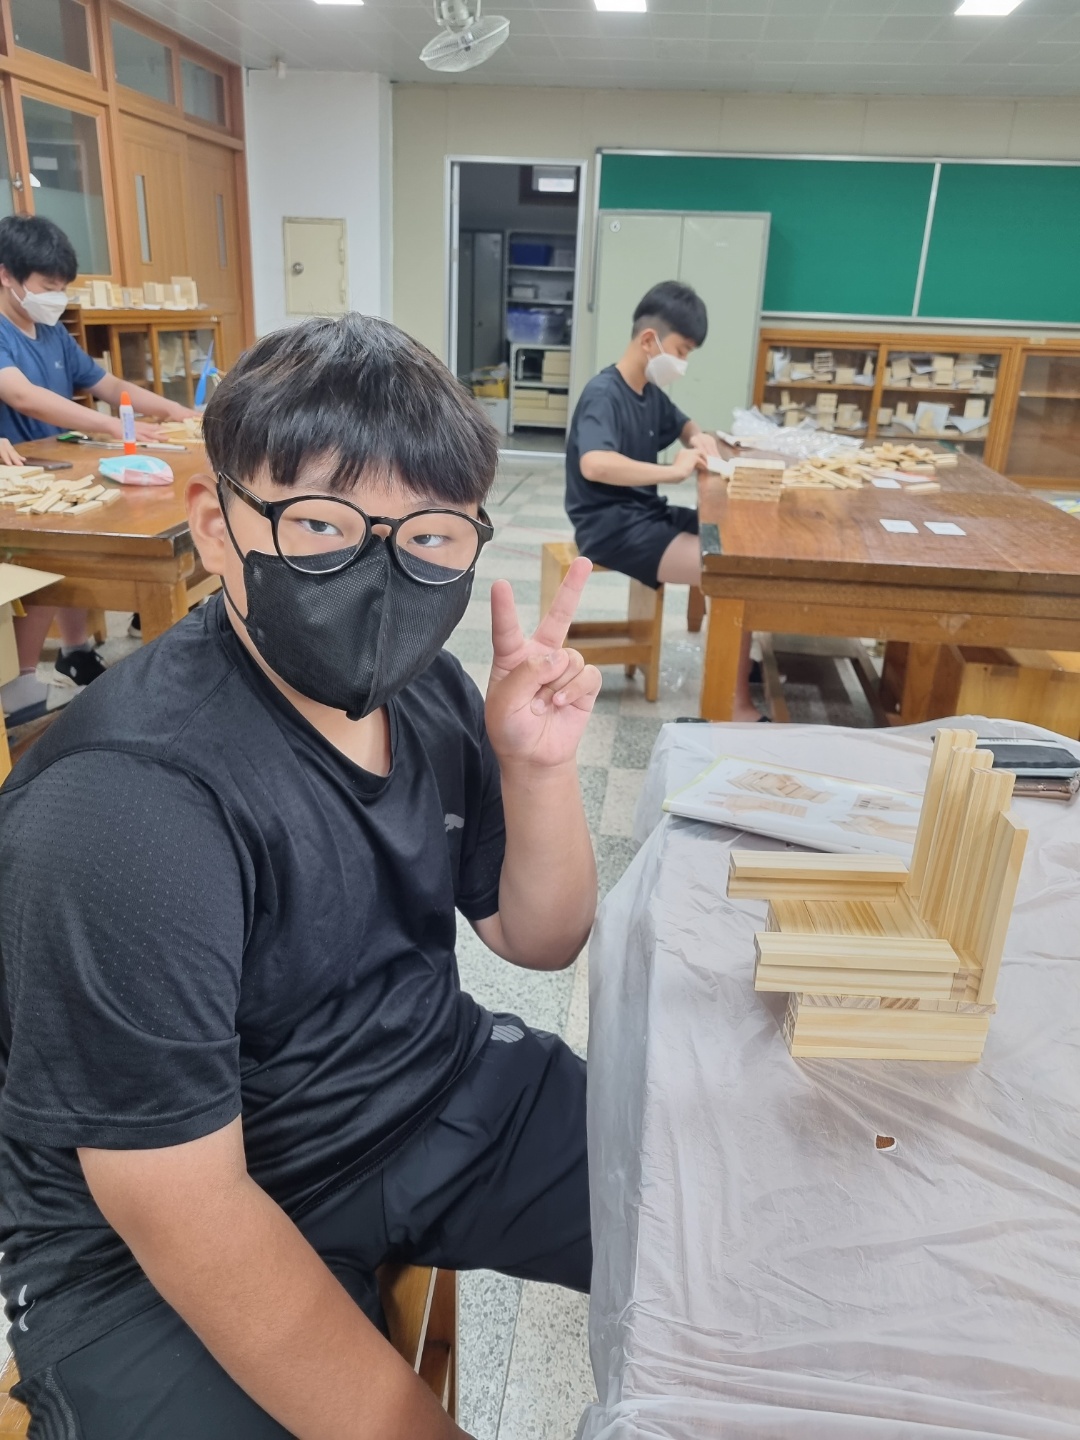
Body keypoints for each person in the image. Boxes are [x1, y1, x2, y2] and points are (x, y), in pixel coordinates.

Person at [0, 313, 599, 1439]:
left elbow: (543, 936)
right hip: (147, 1241)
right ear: (216, 527)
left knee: (721, 1214)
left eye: (430, 536)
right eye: (320, 523)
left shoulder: (424, 689)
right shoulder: (126, 807)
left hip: (420, 1086)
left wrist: (534, 767)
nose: (381, 574)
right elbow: (185, 1210)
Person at [0, 214, 196, 724]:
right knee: (47, 567)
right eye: (47, 286)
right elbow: (23, 396)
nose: (56, 297)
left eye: (62, 287)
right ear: (6, 275)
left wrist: (174, 411)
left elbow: (108, 385)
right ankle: (20, 685)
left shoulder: (51, 332)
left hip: (61, 463)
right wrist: (113, 425)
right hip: (19, 478)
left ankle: (76, 651)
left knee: (82, 556)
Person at [565, 280, 761, 721]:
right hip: (610, 526)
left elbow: (684, 424)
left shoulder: (649, 393)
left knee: (732, 540)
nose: (683, 363)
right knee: (734, 572)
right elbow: (594, 463)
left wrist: (699, 437)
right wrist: (672, 471)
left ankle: (737, 663)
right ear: (649, 340)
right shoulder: (604, 393)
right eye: (682, 350)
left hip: (644, 514)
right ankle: (735, 704)